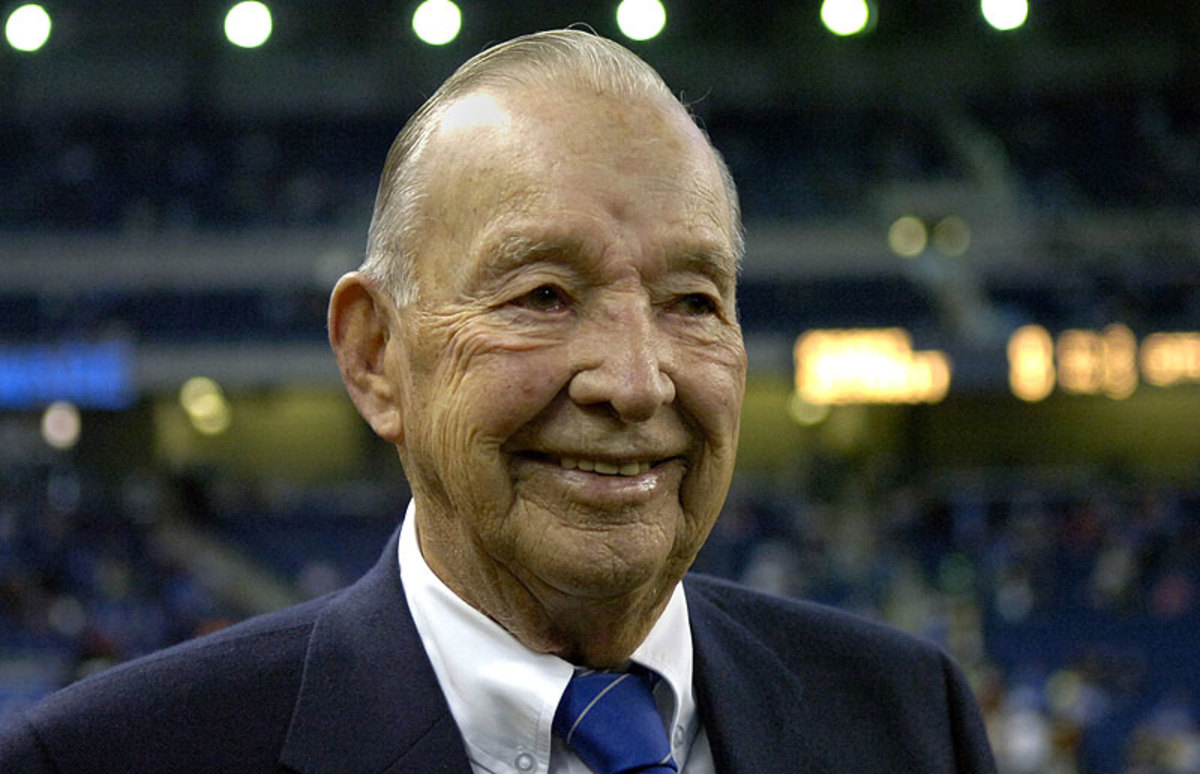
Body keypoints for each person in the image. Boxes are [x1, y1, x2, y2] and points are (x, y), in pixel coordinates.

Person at [0, 30, 996, 773]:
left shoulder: (909, 721)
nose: (634, 382)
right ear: (376, 356)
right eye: (543, 297)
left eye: (694, 302)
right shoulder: (107, 758)